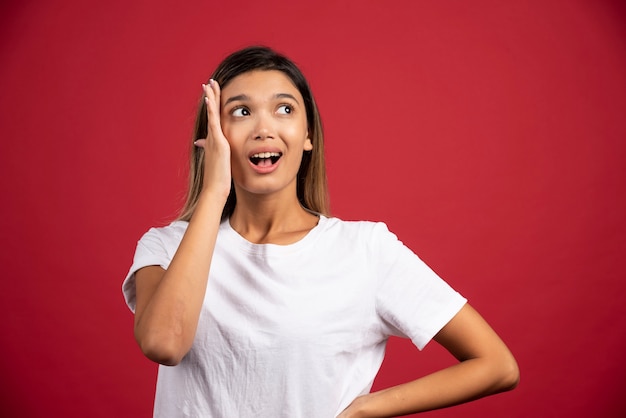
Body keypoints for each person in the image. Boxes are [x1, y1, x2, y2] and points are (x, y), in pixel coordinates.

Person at [122, 46, 519, 418]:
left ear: (307, 134)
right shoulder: (166, 247)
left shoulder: (365, 250)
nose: (263, 128)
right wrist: (214, 191)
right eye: (241, 112)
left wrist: (364, 409)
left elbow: (497, 366)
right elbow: (165, 343)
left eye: (284, 109)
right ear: (212, 136)